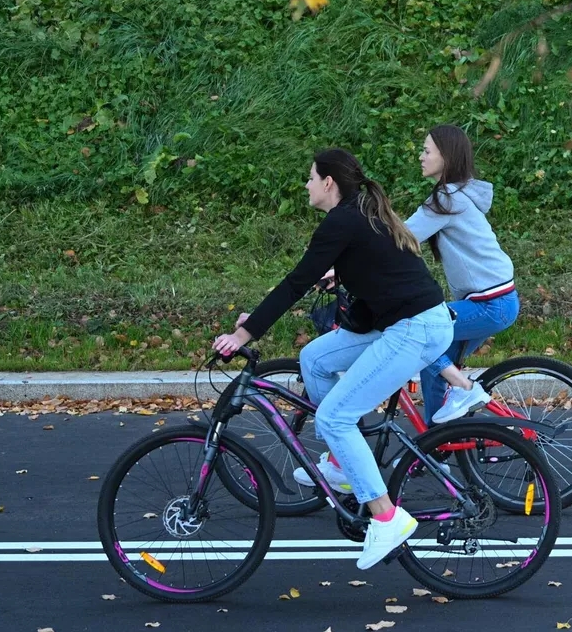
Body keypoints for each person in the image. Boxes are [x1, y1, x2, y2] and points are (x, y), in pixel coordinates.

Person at [212, 148, 452, 570]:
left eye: (309, 178)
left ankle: (386, 517)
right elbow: (368, 278)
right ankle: (344, 461)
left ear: (328, 183)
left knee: (334, 418)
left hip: (415, 329)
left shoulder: (343, 220)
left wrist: (242, 334)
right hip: (403, 321)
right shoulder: (360, 211)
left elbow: (295, 283)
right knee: (316, 358)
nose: (305, 185)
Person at [405, 124, 519, 424]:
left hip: (488, 305)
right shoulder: (456, 196)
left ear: (446, 156)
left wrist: (345, 262)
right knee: (435, 367)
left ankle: (465, 388)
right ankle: (435, 446)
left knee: (421, 333)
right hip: (499, 301)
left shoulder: (446, 199)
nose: (421, 156)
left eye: (427, 151)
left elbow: (400, 238)